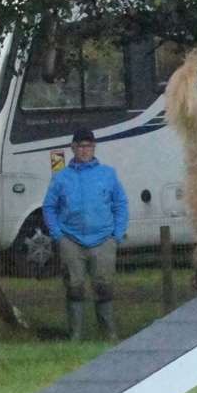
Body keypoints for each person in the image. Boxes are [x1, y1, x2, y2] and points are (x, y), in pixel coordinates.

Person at [42, 128, 129, 341]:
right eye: (80, 146)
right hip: (71, 240)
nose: (84, 150)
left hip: (103, 239)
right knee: (74, 286)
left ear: (94, 147)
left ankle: (109, 334)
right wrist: (57, 235)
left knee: (104, 285)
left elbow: (121, 203)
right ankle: (76, 335)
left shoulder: (108, 174)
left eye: (88, 145)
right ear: (73, 148)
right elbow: (49, 206)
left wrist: (116, 234)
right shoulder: (61, 177)